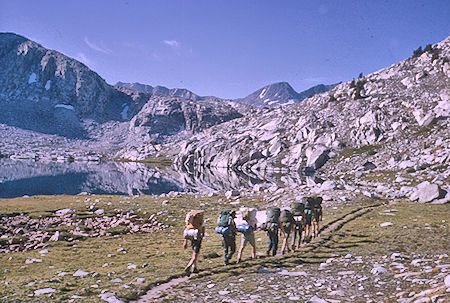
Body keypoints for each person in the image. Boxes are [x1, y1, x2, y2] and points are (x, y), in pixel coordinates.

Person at [183, 210, 205, 274]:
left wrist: (185, 242)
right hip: (197, 235)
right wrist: (202, 236)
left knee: (193, 251)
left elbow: (186, 229)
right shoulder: (201, 221)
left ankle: (194, 268)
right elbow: (203, 231)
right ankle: (188, 266)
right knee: (195, 253)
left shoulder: (189, 222)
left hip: (190, 235)